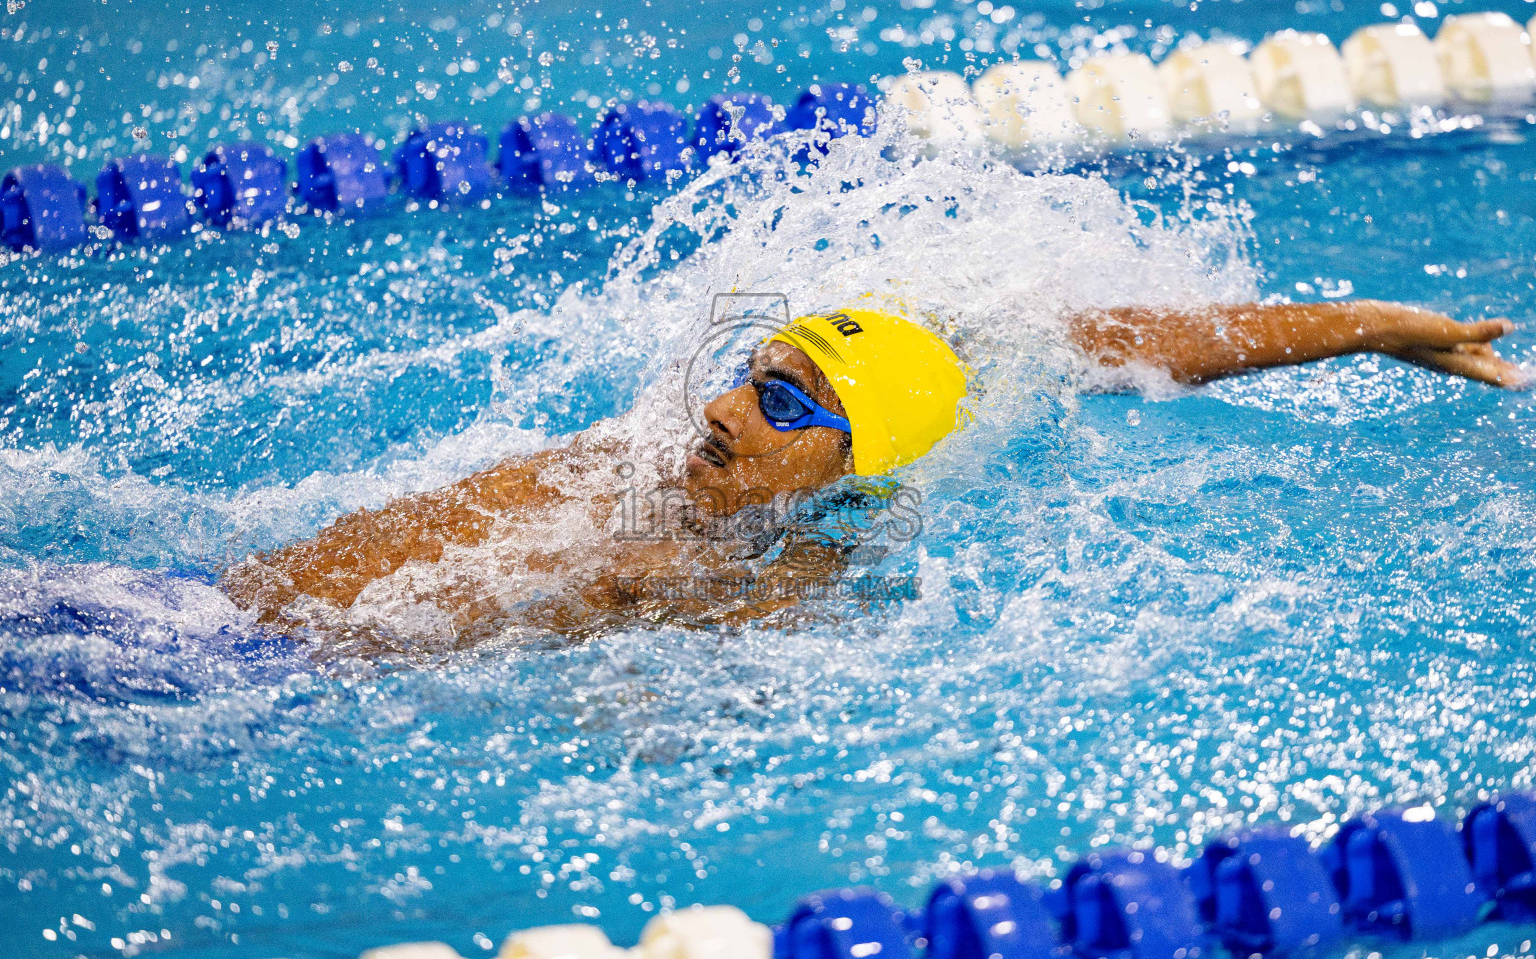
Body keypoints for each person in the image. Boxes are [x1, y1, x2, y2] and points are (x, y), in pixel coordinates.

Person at [220, 299, 1524, 644]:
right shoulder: (648, 466)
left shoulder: (775, 576)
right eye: (749, 368)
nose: (725, 406)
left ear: (859, 460)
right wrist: (1363, 320)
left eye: (783, 398)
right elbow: (1110, 340)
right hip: (190, 600)